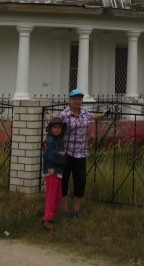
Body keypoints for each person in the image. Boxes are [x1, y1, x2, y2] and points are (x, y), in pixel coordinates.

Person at [58, 88, 104, 217]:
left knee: (80, 181)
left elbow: (93, 116)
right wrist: (48, 142)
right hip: (66, 153)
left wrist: (104, 114)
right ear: (69, 100)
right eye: (74, 99)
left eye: (79, 99)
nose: (77, 101)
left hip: (81, 153)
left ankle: (76, 210)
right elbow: (55, 127)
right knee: (64, 181)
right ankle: (65, 210)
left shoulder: (84, 112)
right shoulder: (64, 115)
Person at [42, 117, 67, 230]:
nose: (57, 129)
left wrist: (62, 155)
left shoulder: (58, 140)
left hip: (58, 171)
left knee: (57, 195)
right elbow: (51, 156)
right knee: (52, 196)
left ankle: (52, 217)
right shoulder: (50, 141)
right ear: (50, 128)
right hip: (51, 171)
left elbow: (61, 155)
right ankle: (47, 219)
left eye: (59, 127)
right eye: (54, 127)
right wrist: (62, 156)